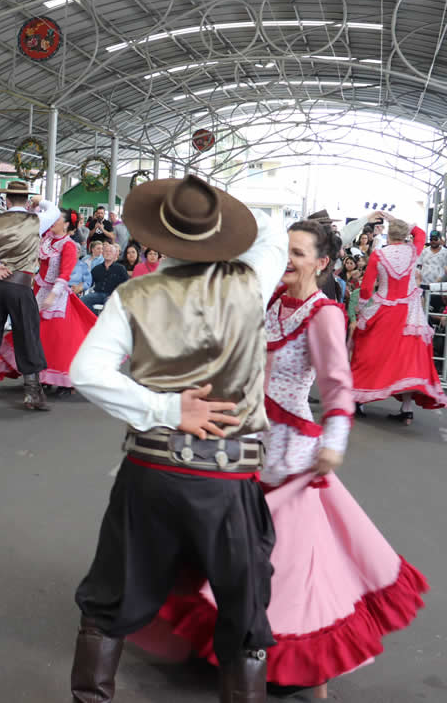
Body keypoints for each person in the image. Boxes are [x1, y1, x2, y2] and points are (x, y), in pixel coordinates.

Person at [145, 219, 429, 698]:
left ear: (321, 264)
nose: (288, 261)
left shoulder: (324, 314)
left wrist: (334, 441)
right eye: (285, 251)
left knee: (291, 568)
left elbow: (337, 387)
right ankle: (231, 644)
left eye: (298, 253)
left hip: (291, 456)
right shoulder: (273, 300)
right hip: (245, 442)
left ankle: (306, 667)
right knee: (226, 543)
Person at [65, 174, 287, 703]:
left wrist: (163, 407)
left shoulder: (133, 293)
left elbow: (86, 371)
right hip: (228, 478)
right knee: (244, 611)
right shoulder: (252, 280)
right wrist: (228, 217)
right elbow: (274, 233)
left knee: (111, 597)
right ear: (219, 233)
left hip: (151, 470)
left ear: (158, 238)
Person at [0, 180, 61, 410]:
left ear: (7, 200)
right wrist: (41, 201)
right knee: (27, 334)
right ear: (27, 201)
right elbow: (55, 211)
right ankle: (31, 393)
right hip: (20, 285)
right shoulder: (36, 220)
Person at [351, 212, 447, 424]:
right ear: (404, 235)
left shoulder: (379, 254)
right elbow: (420, 233)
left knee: (369, 352)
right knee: (406, 360)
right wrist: (395, 219)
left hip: (384, 310)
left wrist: (361, 308)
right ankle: (406, 410)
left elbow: (367, 286)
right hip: (409, 315)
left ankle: (358, 401)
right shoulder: (413, 250)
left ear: (388, 236)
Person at [0, 209, 96, 396]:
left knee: (58, 340)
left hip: (57, 296)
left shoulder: (68, 245)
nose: (53, 221)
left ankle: (64, 381)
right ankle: (41, 375)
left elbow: (65, 273)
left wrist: (52, 295)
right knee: (36, 335)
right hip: (38, 291)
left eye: (57, 219)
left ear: (67, 224)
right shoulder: (47, 239)